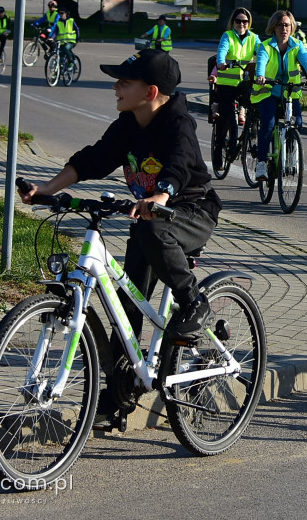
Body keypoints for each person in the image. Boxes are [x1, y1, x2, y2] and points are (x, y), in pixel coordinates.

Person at [17, 49, 221, 428]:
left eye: (124, 82)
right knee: (125, 309)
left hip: (189, 212)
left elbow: (177, 164)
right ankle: (116, 398)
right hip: (149, 216)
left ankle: (194, 303)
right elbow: (93, 159)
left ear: (150, 91)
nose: (116, 86)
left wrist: (160, 195)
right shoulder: (127, 123)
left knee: (149, 229)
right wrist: (46, 189)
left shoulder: (178, 123)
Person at [252, 10, 307, 181]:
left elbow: (306, 64)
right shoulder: (265, 46)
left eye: (288, 25)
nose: (284, 28)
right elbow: (260, 62)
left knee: (296, 123)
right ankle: (261, 164)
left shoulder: (297, 45)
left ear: (292, 27)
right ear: (273, 27)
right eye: (280, 25)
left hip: (290, 92)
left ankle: (291, 158)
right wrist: (260, 76)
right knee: (268, 124)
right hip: (268, 91)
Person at [208, 8, 259, 169]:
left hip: (244, 82)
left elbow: (263, 53)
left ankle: (249, 130)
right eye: (238, 21)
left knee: (255, 104)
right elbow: (221, 52)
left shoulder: (254, 38)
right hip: (226, 84)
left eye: (245, 21)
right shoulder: (227, 36)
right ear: (233, 22)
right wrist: (222, 63)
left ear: (249, 23)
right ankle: (218, 150)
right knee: (227, 117)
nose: (242, 24)